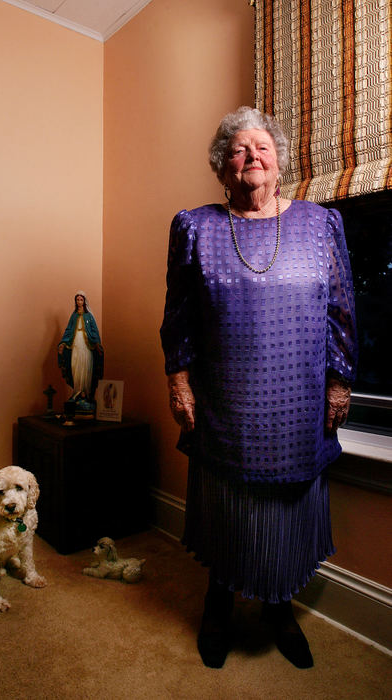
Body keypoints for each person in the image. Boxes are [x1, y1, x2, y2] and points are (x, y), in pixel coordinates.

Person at [160, 106, 357, 670]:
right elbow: (179, 316)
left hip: (298, 402)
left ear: (280, 162)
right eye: (238, 150)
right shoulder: (194, 226)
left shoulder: (322, 224)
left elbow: (340, 313)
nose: (251, 156)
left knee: (288, 517)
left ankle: (278, 607)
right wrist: (179, 380)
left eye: (262, 147)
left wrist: (339, 384)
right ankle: (217, 604)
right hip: (226, 402)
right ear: (223, 169)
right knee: (228, 510)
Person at [58, 291, 104, 409]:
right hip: (76, 344)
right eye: (77, 300)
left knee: (86, 365)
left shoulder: (89, 316)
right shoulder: (73, 316)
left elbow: (95, 331)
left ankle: (86, 392)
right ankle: (77, 391)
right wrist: (63, 343)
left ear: (84, 301)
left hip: (87, 345)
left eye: (81, 300)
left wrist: (97, 344)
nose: (79, 302)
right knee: (76, 366)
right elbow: (68, 330)